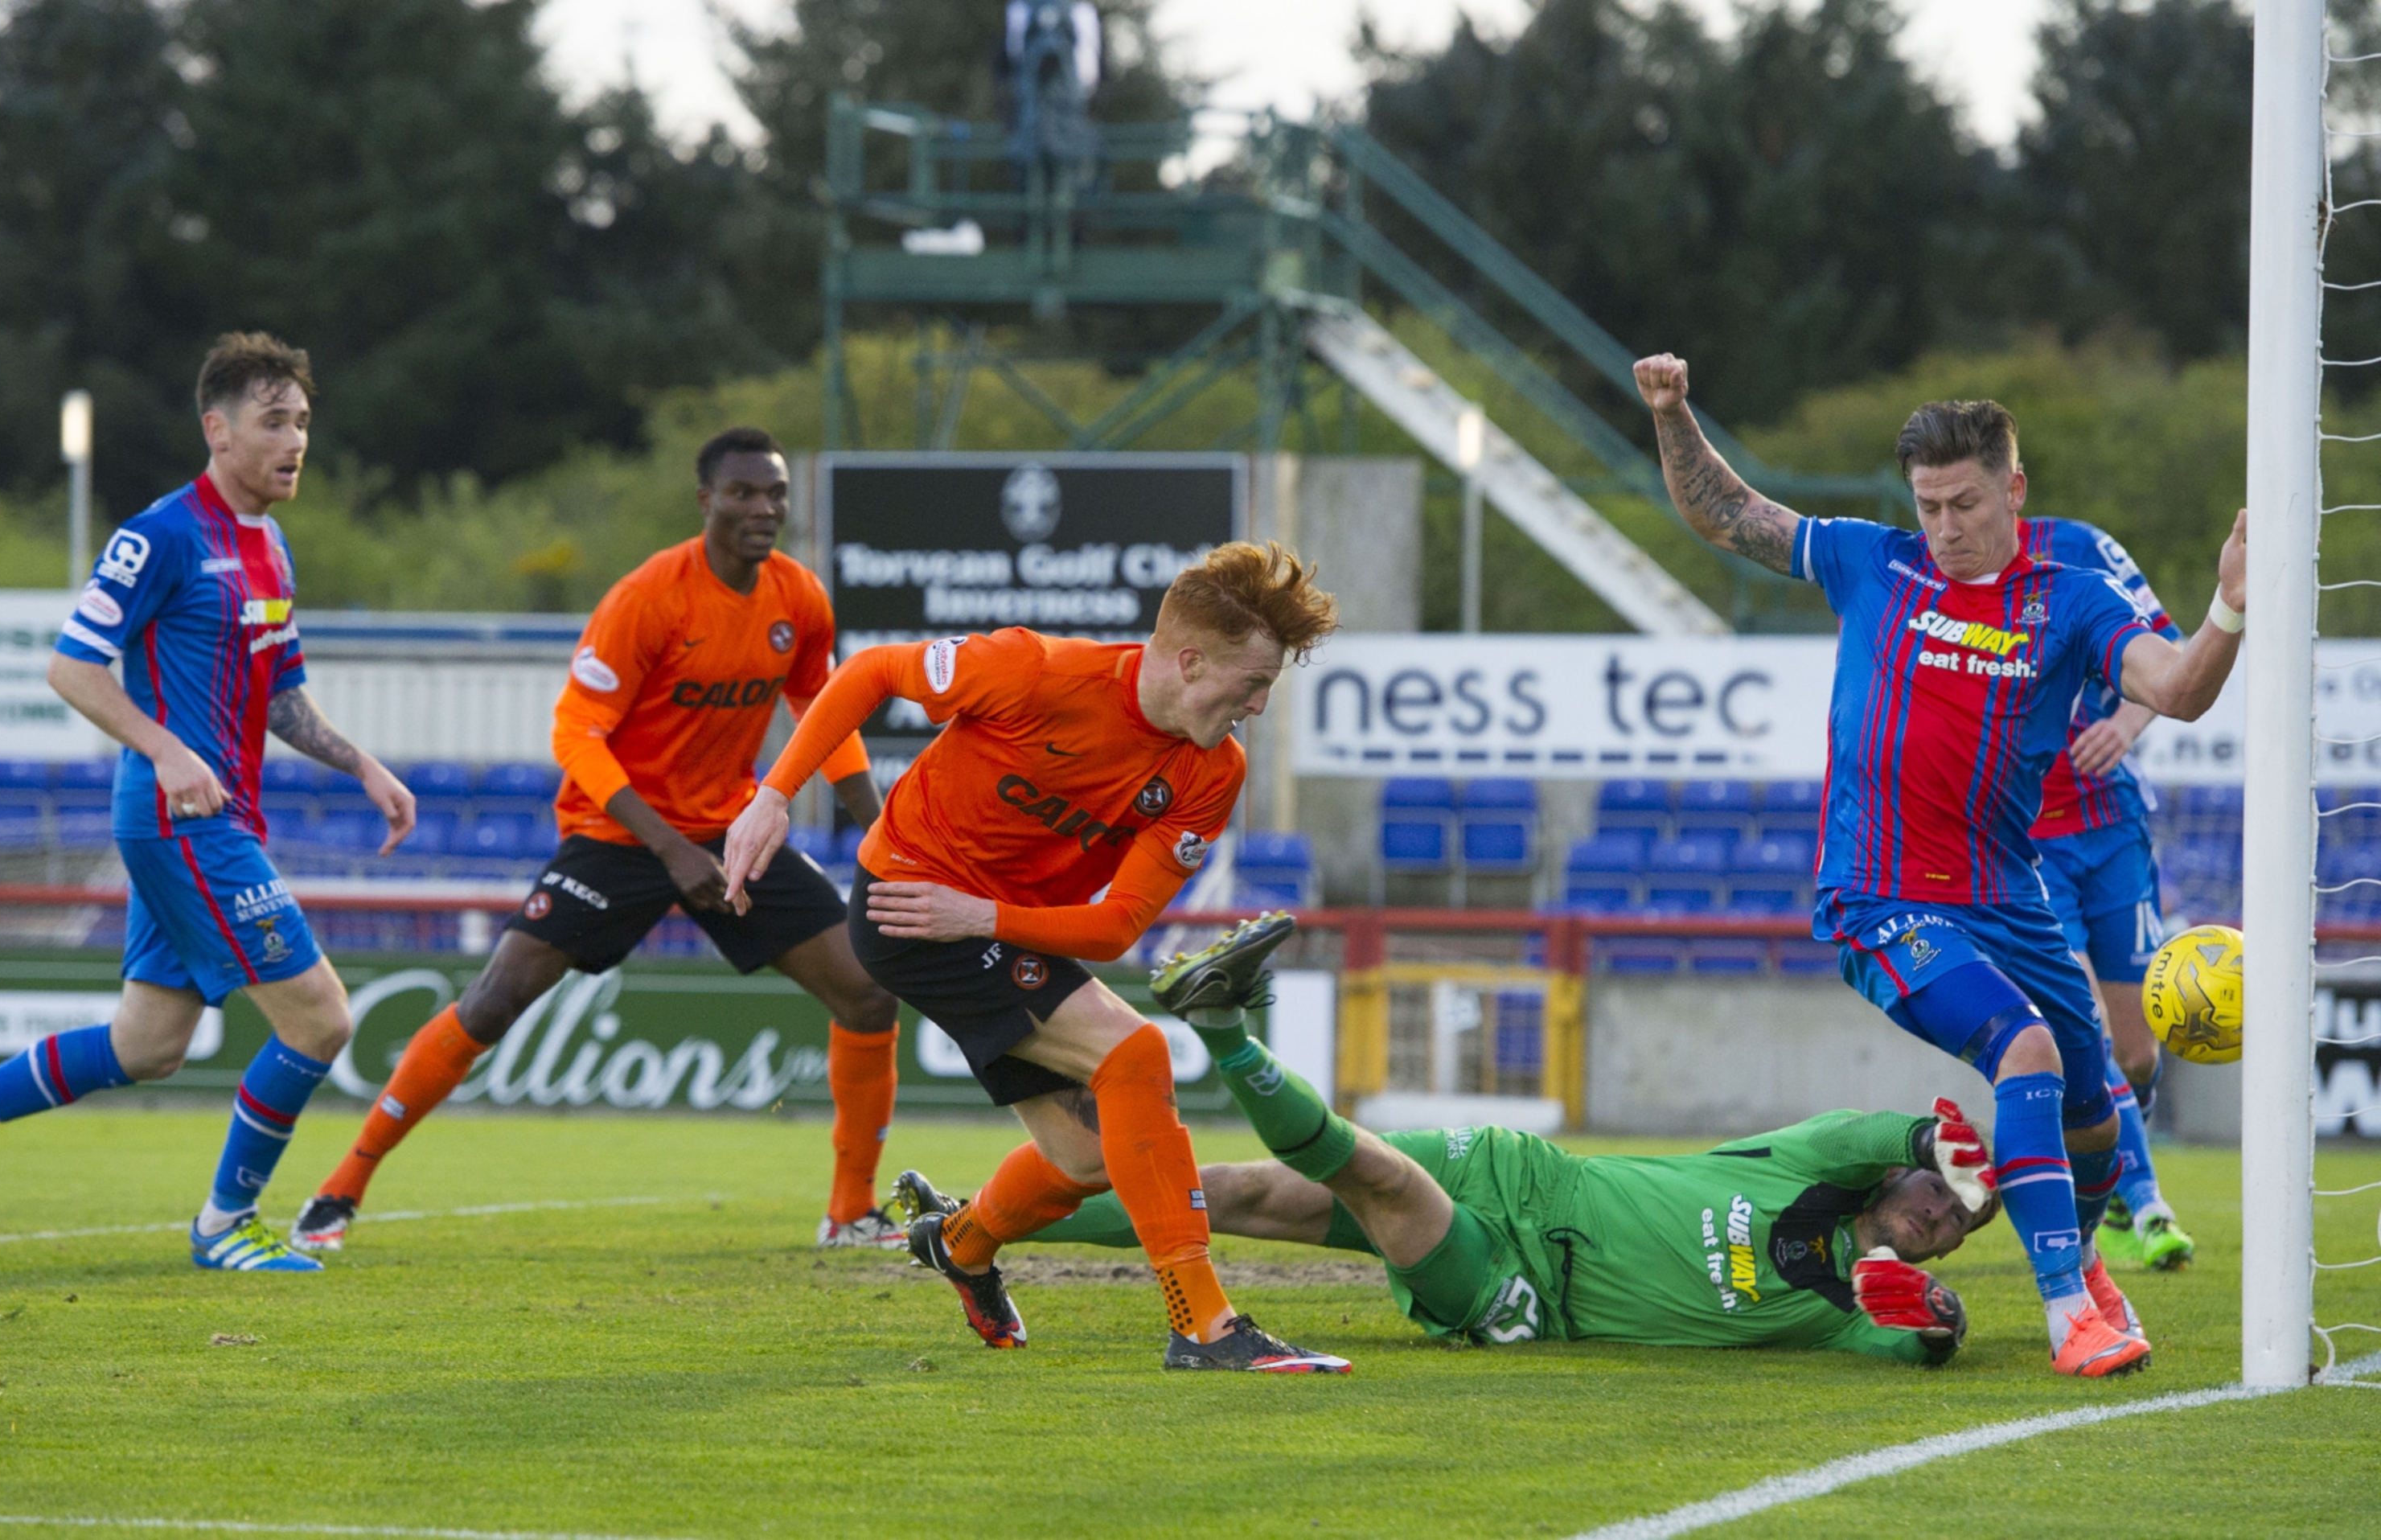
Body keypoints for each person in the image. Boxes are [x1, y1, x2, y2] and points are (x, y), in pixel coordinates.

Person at [1635, 352, 2247, 1378]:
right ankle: (2068, 1314)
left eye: (1963, 502)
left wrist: (2226, 608)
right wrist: (1671, 413)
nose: (1944, 526)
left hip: (2009, 899)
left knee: (2098, 1115)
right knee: (2025, 1051)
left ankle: (2084, 1255)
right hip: (1879, 897)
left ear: (2013, 488)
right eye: (1926, 504)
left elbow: (2177, 691)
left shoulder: (2073, 599)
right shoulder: (1873, 562)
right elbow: (1725, 513)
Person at [719, 542, 1353, 1373]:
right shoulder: (1032, 670)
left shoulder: (1210, 771)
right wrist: (773, 795)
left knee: (1087, 1157)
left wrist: (980, 914)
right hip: (907, 899)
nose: (1260, 706)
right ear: (1191, 662)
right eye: (1254, 683)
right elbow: (871, 672)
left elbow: (1116, 926)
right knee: (1134, 1054)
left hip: (984, 920)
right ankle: (1204, 1324)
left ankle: (960, 1241)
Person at [0, 332, 416, 1272]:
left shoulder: (272, 547)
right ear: (218, 429)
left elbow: (280, 692)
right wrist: (163, 751)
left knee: (148, 1043)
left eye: (304, 424)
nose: (296, 442)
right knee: (320, 1018)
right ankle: (222, 1225)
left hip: (216, 816)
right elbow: (70, 667)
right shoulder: (159, 533)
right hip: (183, 820)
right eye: (274, 422)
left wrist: (361, 763)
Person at [289, 427, 902, 1254]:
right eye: (744, 492)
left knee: (867, 993)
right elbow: (576, 735)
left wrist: (882, 833)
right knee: (495, 1000)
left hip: (728, 827)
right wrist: (669, 849)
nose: (763, 508)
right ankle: (340, 1189)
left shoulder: (799, 600)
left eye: (776, 494)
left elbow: (823, 719)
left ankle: (849, 1211)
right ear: (705, 501)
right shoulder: (648, 597)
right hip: (615, 832)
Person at [903, 918, 2000, 1365]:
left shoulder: (1844, 1312)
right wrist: (1931, 1132)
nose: (1940, 1215)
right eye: (1941, 1189)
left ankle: (1227, 1025)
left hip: (1522, 1286)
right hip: (1519, 1171)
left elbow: (1909, 1343)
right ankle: (965, 1227)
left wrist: (1934, 1326)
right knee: (1230, 1189)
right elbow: (1873, 1126)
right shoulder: (1817, 1161)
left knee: (1367, 1168)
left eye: (1956, 1226)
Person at [2017, 517, 2197, 1272]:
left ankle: (2124, 1163)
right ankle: (2149, 1204)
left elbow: (2174, 645)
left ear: (2011, 483)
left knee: (2137, 1051)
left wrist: (2124, 723)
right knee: (2083, 1030)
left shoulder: (2081, 549)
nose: (1955, 521)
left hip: (2111, 829)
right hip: (2028, 843)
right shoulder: (1939, 576)